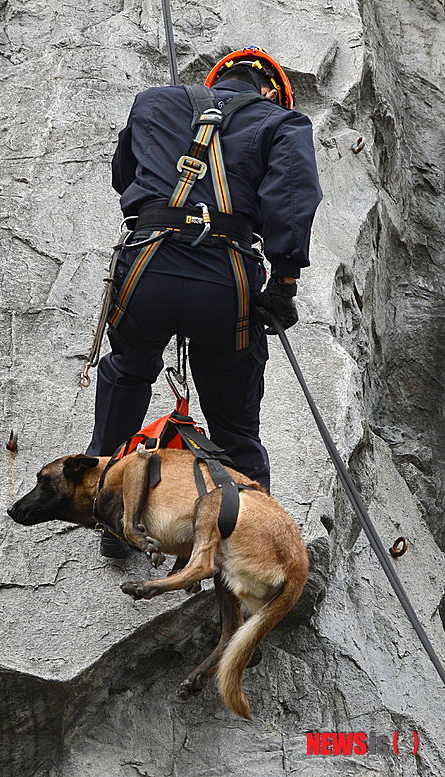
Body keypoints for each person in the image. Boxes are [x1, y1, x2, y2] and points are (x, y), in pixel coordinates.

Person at [86, 47, 322, 557]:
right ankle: (250, 543)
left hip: (147, 266)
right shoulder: (284, 122)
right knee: (234, 426)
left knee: (127, 373)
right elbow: (292, 195)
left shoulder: (153, 102)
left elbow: (123, 175)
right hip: (226, 279)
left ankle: (110, 514)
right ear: (270, 93)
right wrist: (283, 281)